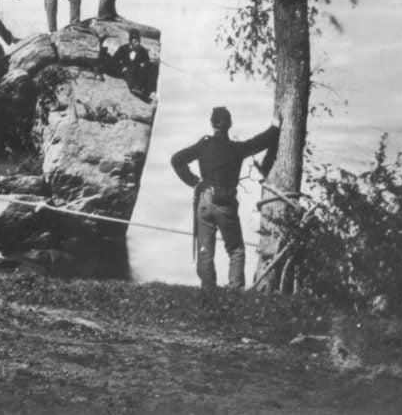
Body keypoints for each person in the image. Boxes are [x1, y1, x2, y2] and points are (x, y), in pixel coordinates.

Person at [170, 108, 280, 291]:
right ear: (230, 125)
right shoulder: (236, 149)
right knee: (236, 249)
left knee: (205, 250)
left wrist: (194, 182)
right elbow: (259, 142)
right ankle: (235, 290)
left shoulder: (203, 145)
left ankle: (208, 290)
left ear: (212, 124)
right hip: (225, 204)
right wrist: (275, 128)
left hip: (204, 200)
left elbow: (177, 159)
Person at [110, 28, 153, 101]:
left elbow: (147, 62)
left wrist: (144, 64)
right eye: (135, 40)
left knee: (145, 72)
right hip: (125, 70)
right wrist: (122, 66)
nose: (137, 42)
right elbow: (115, 59)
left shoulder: (143, 50)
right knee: (127, 73)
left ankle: (139, 88)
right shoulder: (123, 48)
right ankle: (134, 88)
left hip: (137, 71)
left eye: (138, 40)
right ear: (130, 40)